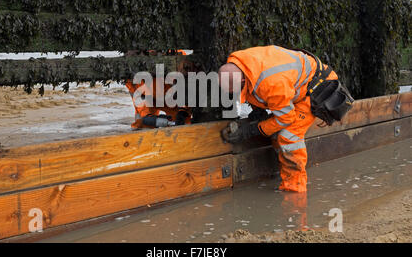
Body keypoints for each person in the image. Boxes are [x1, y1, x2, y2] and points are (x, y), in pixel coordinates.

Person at [218, 45, 345, 193]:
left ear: (241, 81)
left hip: (315, 89)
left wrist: (252, 130)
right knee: (274, 129)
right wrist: (257, 112)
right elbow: (256, 89)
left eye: (237, 91)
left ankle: (295, 189)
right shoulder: (238, 62)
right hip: (293, 84)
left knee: (288, 136)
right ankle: (283, 169)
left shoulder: (271, 83)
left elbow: (286, 118)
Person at [125, 49, 192, 129]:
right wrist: (147, 115)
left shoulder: (176, 58)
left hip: (173, 100)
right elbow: (138, 96)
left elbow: (189, 90)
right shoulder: (127, 69)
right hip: (150, 100)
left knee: (183, 125)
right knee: (141, 124)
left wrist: (183, 111)